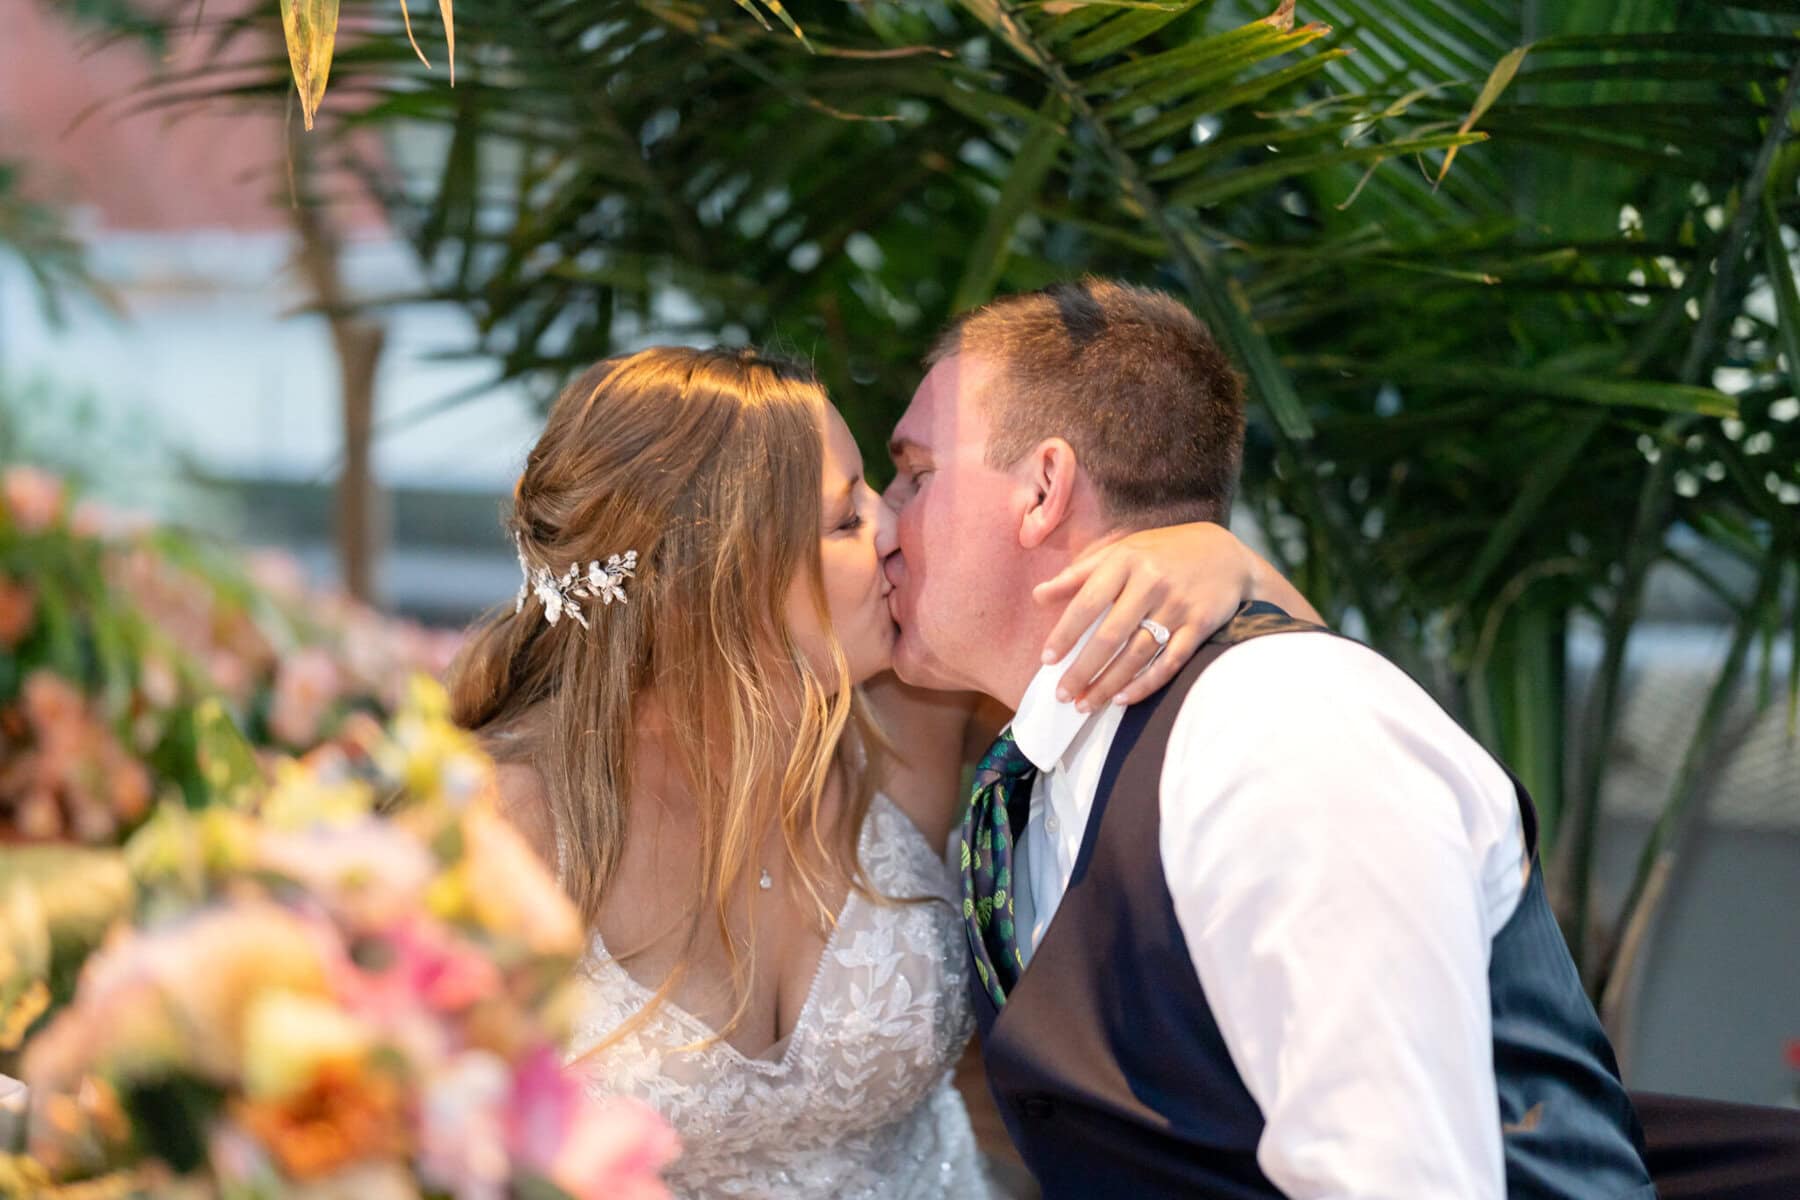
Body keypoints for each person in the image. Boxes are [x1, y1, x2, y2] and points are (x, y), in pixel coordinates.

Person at [445, 344, 1317, 1199]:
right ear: (719, 578)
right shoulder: (491, 826)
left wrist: (1226, 563)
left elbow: (1311, 731)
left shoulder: (911, 712)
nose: (895, 527)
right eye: (845, 520)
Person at [881, 279, 1657, 1199]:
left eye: (918, 475)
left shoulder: (1283, 729)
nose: (886, 523)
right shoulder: (1047, 774)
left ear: (1045, 486)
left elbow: (1398, 1178)